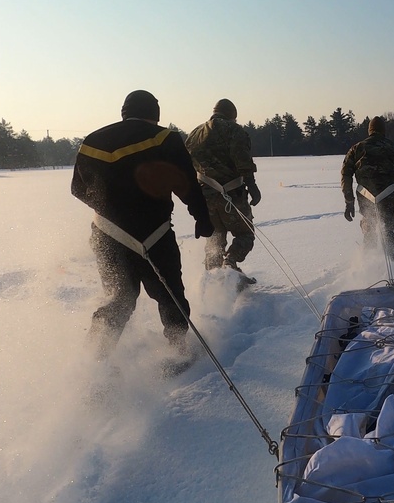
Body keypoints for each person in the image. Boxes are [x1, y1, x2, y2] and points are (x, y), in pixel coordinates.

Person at [71, 90, 214, 378]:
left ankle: (93, 364)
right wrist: (202, 218)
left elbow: (77, 189)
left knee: (119, 297)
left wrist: (113, 210)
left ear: (124, 111)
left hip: (106, 235)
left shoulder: (92, 141)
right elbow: (186, 185)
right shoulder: (165, 138)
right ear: (155, 112)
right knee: (169, 294)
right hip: (154, 236)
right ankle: (178, 350)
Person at [184, 99, 261, 285]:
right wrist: (252, 186)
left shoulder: (194, 134)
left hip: (206, 198)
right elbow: (243, 161)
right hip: (232, 196)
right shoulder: (234, 131)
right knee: (245, 234)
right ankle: (230, 264)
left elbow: (188, 165)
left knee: (216, 236)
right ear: (232, 116)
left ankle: (213, 281)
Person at [341, 116, 394, 258]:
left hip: (365, 195)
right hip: (388, 194)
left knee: (369, 230)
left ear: (370, 131)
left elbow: (346, 174)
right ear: (383, 131)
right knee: (388, 232)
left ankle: (368, 266)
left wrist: (349, 200)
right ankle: (390, 267)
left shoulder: (357, 148)